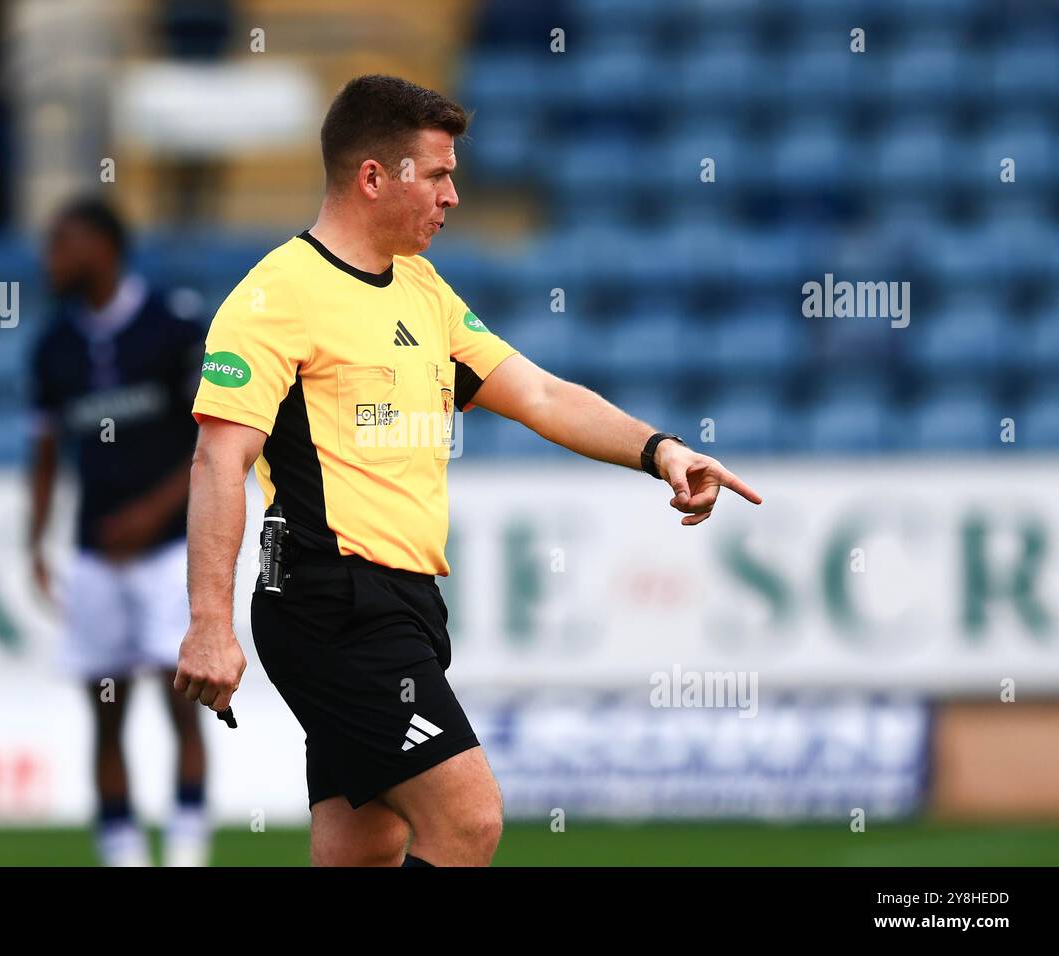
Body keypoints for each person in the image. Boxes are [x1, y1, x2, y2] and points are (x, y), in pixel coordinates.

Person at [175, 75, 763, 867]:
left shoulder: (421, 289)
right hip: (331, 601)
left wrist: (661, 451)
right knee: (469, 820)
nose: (453, 196)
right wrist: (210, 622)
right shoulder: (274, 298)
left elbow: (542, 394)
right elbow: (219, 458)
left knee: (366, 846)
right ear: (374, 177)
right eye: (440, 174)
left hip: (406, 602)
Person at [27, 198, 210, 866]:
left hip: (167, 555)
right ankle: (123, 852)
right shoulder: (54, 345)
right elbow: (45, 452)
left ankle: (187, 849)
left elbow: (214, 442)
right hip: (93, 556)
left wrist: (152, 513)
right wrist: (34, 542)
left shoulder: (172, 326)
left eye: (61, 243)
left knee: (180, 701)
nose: (50, 258)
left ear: (101, 247)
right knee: (105, 712)